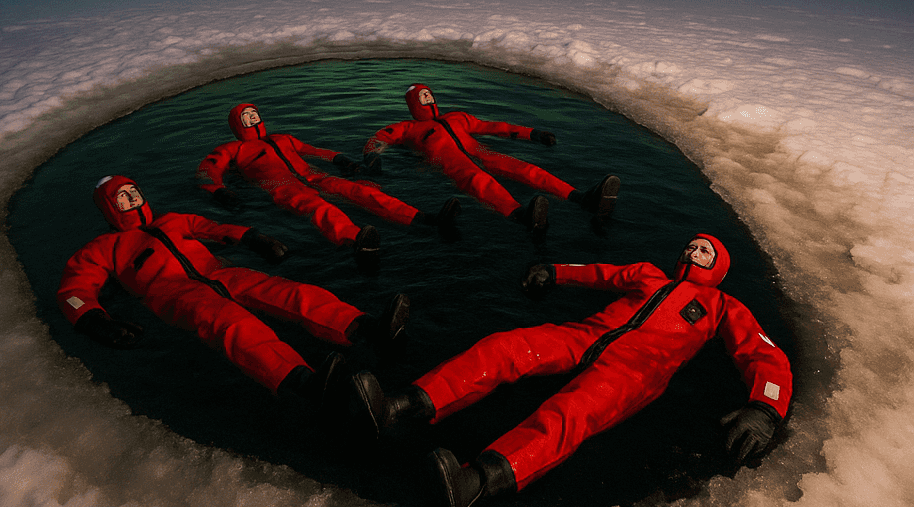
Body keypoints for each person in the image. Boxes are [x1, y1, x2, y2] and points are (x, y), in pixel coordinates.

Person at [349, 233, 792, 507]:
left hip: (636, 370)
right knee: (504, 347)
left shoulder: (723, 308)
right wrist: (554, 271)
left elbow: (763, 353)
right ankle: (399, 405)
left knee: (569, 413)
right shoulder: (648, 274)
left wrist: (766, 407)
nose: (693, 252)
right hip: (584, 336)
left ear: (719, 266)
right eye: (691, 246)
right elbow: (599, 274)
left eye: (705, 250)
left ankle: (476, 482)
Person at [58, 175, 410, 410]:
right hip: (173, 294)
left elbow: (213, 227)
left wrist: (254, 237)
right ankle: (302, 382)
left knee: (288, 291)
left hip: (220, 272)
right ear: (108, 206)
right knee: (232, 324)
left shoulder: (173, 220)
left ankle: (365, 327)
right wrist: (92, 319)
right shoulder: (104, 248)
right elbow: (74, 288)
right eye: (122, 197)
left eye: (134, 191)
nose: (132, 198)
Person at [197, 103, 461, 269]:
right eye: (247, 116)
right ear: (237, 123)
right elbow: (208, 168)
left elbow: (313, 150)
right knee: (319, 207)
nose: (253, 118)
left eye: (255, 113)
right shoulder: (234, 148)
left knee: (361, 191)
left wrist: (339, 158)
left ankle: (424, 219)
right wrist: (218, 190)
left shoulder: (283, 137)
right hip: (283, 187)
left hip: (315, 176)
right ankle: (356, 240)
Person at [361, 83, 620, 240]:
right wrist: (372, 154)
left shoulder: (457, 117)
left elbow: (492, 126)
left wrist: (532, 133)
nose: (427, 99)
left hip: (482, 153)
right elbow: (378, 138)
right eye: (422, 97)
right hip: (454, 165)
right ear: (413, 103)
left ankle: (580, 198)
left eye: (429, 94)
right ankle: (521, 215)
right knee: (480, 182)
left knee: (525, 168)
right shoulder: (408, 129)